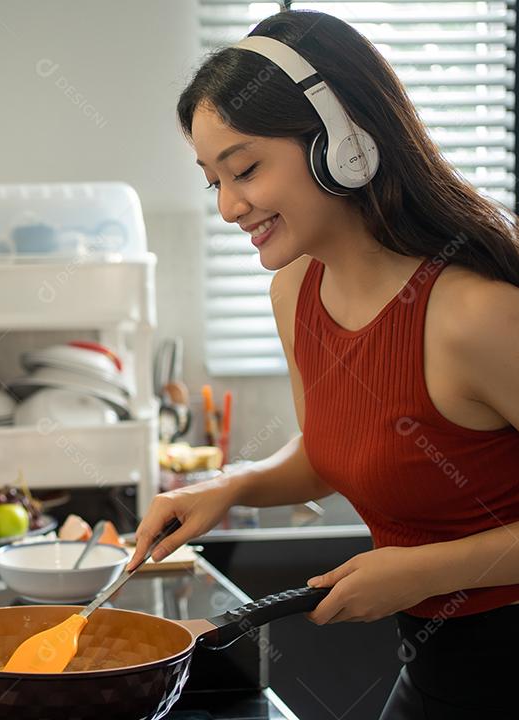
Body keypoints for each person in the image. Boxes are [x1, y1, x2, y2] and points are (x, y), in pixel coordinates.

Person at [130, 10, 519, 718]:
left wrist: (425, 571)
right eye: (212, 180)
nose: (227, 207)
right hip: (438, 678)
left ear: (341, 144)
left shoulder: (474, 313)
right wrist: (230, 487)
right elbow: (333, 450)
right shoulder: (296, 291)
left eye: (245, 169)